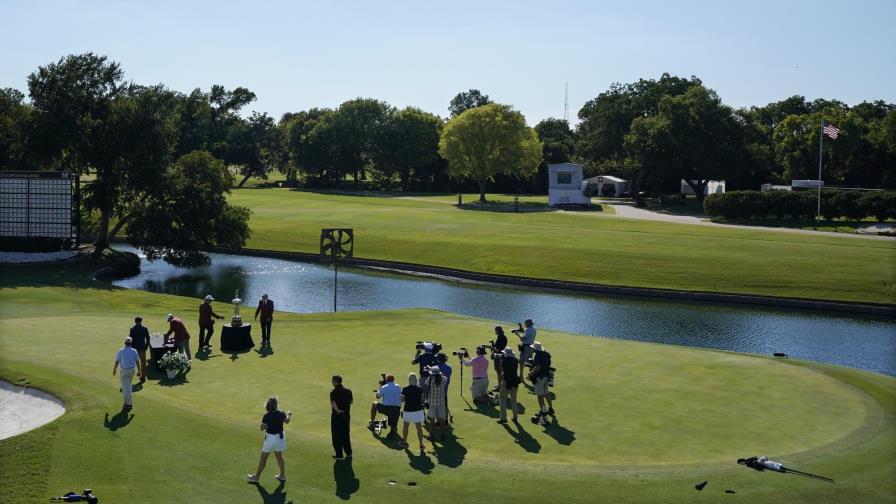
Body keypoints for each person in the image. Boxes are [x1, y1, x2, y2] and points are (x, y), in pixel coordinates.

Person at [247, 396, 292, 483]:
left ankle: (256, 477)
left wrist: (267, 425)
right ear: (276, 405)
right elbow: (287, 421)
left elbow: (261, 428)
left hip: (270, 439)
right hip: (280, 438)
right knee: (279, 456)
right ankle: (282, 475)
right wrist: (288, 415)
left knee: (263, 458)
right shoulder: (281, 413)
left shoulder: (266, 416)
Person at [399, 372, 425, 452]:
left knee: (406, 426)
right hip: (418, 411)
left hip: (408, 410)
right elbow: (422, 400)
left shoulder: (405, 389)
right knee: (419, 428)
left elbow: (402, 401)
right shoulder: (420, 389)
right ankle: (421, 444)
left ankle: (404, 442)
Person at [528, 342, 554, 420]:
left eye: (533, 348)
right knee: (546, 393)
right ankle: (550, 408)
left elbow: (538, 367)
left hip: (540, 377)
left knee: (540, 395)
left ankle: (544, 412)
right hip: (546, 376)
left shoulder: (538, 355)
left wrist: (531, 373)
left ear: (535, 349)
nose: (532, 349)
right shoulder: (546, 354)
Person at [330, 375, 353, 460]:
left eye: (332, 381)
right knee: (346, 434)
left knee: (336, 435)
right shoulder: (348, 391)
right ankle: (349, 453)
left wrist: (338, 410)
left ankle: (339, 455)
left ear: (335, 382)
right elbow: (351, 401)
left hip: (337, 416)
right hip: (346, 416)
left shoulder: (333, 392)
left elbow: (333, 403)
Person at [113, 337, 139, 409]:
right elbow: (137, 361)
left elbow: (117, 361)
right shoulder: (134, 351)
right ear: (131, 343)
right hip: (132, 371)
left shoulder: (120, 351)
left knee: (125, 389)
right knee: (128, 386)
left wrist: (114, 369)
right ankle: (127, 403)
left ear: (125, 343)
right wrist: (139, 371)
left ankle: (128, 404)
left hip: (124, 371)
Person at [424, 366, 447, 438]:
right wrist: (438, 372)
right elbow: (445, 377)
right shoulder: (443, 379)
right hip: (441, 402)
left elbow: (426, 383)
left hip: (432, 403)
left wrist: (430, 372)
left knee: (432, 420)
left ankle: (431, 434)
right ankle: (443, 434)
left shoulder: (430, 379)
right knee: (441, 419)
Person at [498, 348, 520, 424]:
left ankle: (503, 418)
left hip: (506, 381)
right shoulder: (516, 360)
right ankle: (515, 417)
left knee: (502, 398)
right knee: (513, 400)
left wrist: (501, 361)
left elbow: (501, 370)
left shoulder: (504, 361)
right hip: (515, 381)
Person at [129, 317, 151, 382]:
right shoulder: (144, 329)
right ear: (141, 321)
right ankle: (143, 376)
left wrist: (130, 348)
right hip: (142, 348)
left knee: (133, 362)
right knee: (143, 363)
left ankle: (132, 375)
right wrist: (146, 346)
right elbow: (148, 339)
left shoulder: (132, 329)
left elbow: (130, 339)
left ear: (135, 321)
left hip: (134, 348)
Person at [436, 353, 453, 419]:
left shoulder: (436, 368)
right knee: (445, 405)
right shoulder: (449, 367)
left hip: (437, 391)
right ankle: (446, 420)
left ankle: (439, 420)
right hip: (445, 390)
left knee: (437, 406)